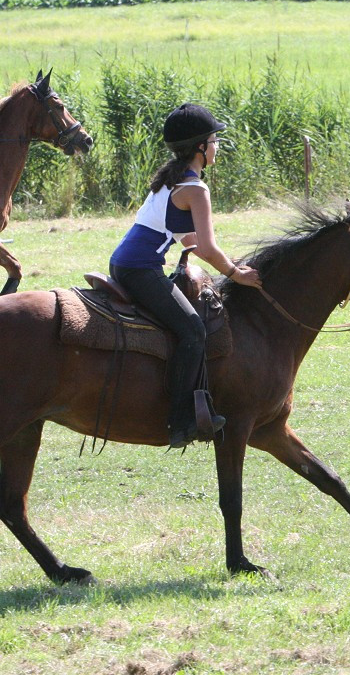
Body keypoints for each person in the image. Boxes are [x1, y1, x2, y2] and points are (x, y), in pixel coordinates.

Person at [109, 103, 262, 449]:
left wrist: (229, 261)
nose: (217, 146)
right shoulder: (196, 189)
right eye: (214, 140)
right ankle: (180, 420)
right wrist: (235, 274)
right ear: (200, 148)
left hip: (126, 263)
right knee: (193, 330)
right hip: (140, 269)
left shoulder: (172, 179)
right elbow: (206, 248)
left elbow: (188, 239)